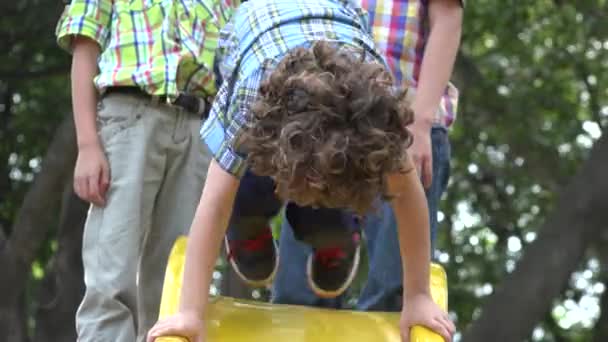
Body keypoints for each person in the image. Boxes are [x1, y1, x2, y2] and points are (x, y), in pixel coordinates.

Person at [146, 0, 456, 340]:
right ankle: (247, 231)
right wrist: (190, 312)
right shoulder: (250, 98)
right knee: (240, 185)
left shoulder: (377, 112)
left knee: (334, 181)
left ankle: (332, 233)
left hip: (342, 26)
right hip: (252, 34)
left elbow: (409, 197)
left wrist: (418, 297)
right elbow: (214, 202)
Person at [55, 0, 236, 340]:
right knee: (112, 270)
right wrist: (87, 145)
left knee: (176, 277)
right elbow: (85, 50)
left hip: (201, 128)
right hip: (130, 115)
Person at [272, 0, 463, 311]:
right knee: (297, 294)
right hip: (327, 119)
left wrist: (422, 122)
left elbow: (447, 18)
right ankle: (336, 243)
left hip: (405, 123)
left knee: (393, 293)